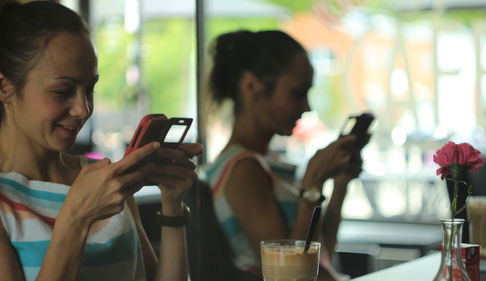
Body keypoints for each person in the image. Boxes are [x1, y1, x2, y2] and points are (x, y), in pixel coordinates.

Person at [0, 1, 202, 281]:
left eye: (90, 89)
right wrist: (76, 220)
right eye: (62, 91)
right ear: (4, 87)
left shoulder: (102, 178)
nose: (82, 109)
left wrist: (172, 202)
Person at [204, 30, 369, 281]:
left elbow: (321, 256)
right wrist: (312, 184)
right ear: (252, 86)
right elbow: (288, 274)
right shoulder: (242, 169)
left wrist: (340, 183)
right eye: (296, 93)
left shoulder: (264, 164)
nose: (307, 107)